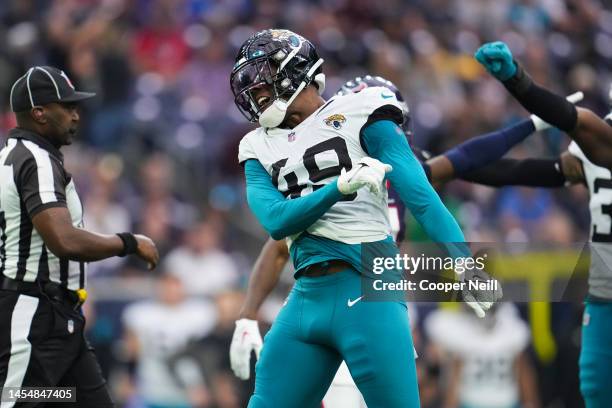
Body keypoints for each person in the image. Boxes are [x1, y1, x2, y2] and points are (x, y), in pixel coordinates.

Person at [230, 74, 581, 406]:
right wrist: (247, 315)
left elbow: (469, 159)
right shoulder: (319, 172)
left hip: (379, 295)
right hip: (327, 293)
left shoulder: (400, 169)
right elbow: (277, 246)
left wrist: (534, 123)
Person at [231, 29, 501, 407]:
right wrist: (338, 188)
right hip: (306, 295)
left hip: (370, 287)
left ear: (295, 70)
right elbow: (276, 221)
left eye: (262, 77)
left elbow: (420, 195)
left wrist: (465, 264)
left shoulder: (363, 110)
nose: (255, 91)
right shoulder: (257, 144)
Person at [0, 66, 159, 407]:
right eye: (66, 107)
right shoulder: (36, 160)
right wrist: (128, 242)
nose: (76, 115)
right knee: (16, 401)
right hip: (35, 318)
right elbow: (64, 240)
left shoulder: (13, 158)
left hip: (58, 321)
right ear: (39, 112)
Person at [476, 41, 612, 408]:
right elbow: (527, 171)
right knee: (597, 388)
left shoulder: (600, 139)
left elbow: (569, 116)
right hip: (604, 289)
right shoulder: (597, 143)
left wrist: (517, 80)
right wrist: (454, 166)